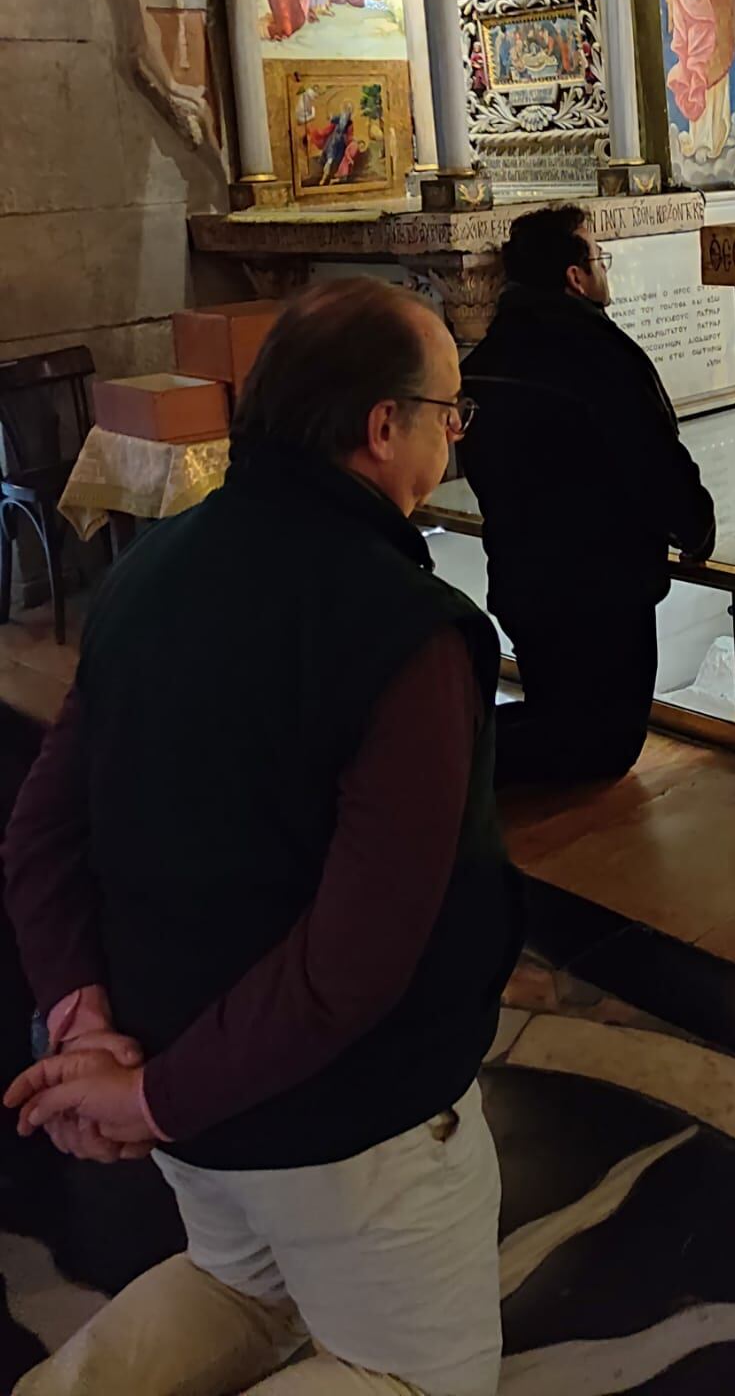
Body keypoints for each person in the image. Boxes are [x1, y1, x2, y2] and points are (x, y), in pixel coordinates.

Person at [3, 280, 521, 1394]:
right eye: (448, 409)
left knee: (239, 1284)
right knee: (412, 1378)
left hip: (182, 1072)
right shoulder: (410, 632)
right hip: (343, 1121)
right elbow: (359, 955)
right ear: (384, 427)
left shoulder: (146, 573)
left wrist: (86, 1016)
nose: (453, 431)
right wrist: (150, 1098)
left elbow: (41, 829)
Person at [461, 205, 716, 785]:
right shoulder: (602, 357)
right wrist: (697, 529)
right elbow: (652, 459)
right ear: (575, 277)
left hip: (523, 585)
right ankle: (429, 781)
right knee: (604, 745)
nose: (605, 269)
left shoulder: (486, 361)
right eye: (599, 258)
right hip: (602, 594)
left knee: (562, 717)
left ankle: (436, 771)